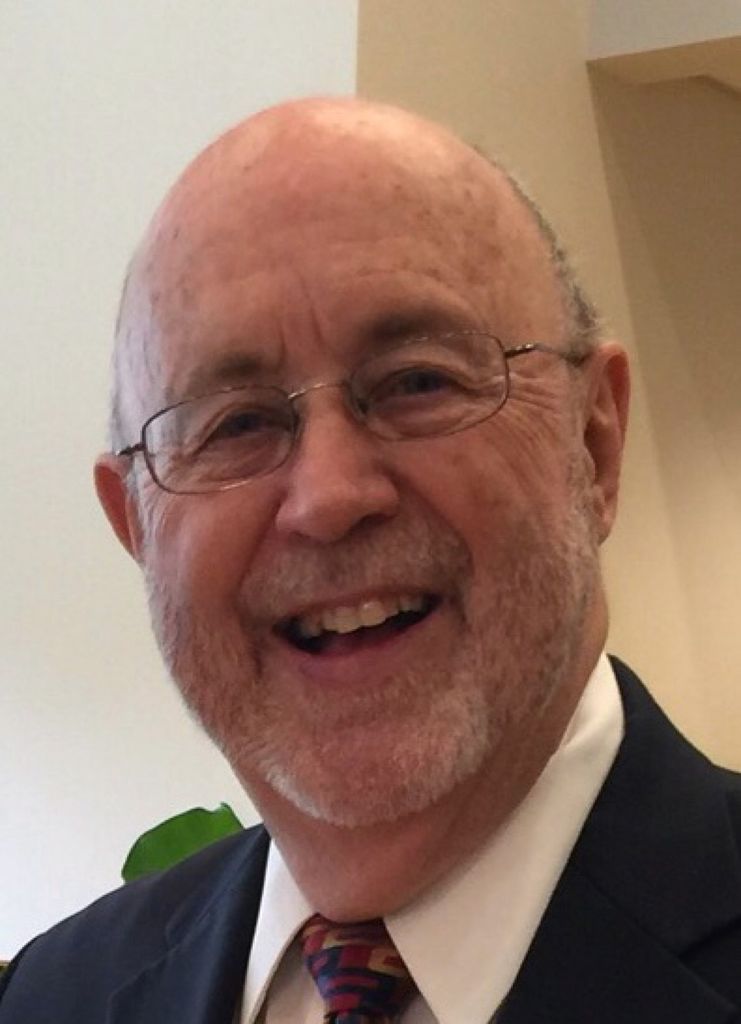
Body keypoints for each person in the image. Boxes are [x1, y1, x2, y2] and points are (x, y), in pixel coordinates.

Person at [2, 97, 740, 1023]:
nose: (328, 497)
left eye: (417, 382)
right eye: (235, 424)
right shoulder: (56, 996)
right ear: (136, 529)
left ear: (593, 443)